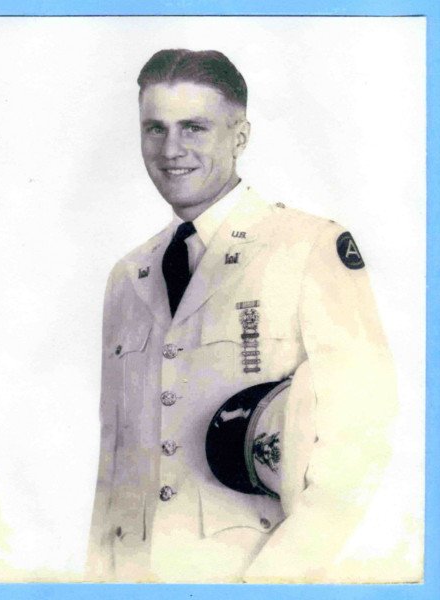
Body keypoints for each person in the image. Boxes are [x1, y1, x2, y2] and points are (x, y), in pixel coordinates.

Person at [86, 49, 397, 584]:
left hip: (245, 575)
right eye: (155, 128)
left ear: (240, 137)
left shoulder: (307, 248)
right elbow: (116, 467)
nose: (171, 149)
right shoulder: (128, 276)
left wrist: (272, 583)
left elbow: (361, 438)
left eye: (194, 127)